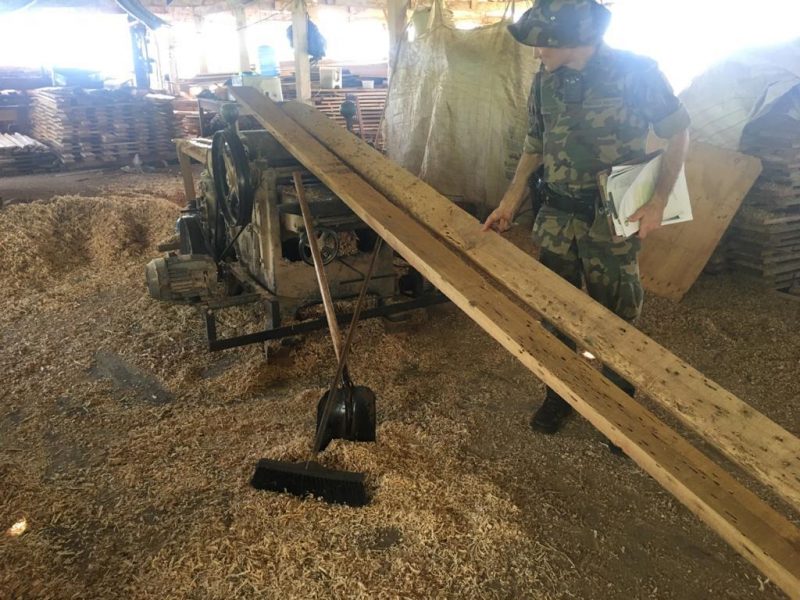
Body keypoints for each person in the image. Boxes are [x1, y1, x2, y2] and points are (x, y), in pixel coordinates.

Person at [483, 0, 690, 436]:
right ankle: (559, 394)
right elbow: (534, 146)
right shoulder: (545, 81)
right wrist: (509, 202)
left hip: (611, 221)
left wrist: (657, 201)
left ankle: (618, 411)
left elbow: (679, 132)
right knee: (554, 313)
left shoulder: (636, 72)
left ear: (575, 39)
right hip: (557, 216)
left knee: (615, 318)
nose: (537, 53)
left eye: (543, 44)